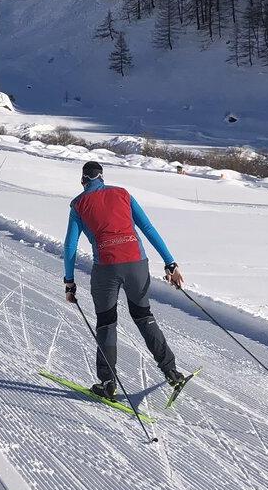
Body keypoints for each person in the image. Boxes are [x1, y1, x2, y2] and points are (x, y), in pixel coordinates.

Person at [63, 160, 186, 399]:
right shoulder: (123, 194)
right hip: (137, 265)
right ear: (102, 177)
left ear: (83, 180)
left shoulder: (78, 204)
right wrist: (170, 263)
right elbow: (148, 228)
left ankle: (108, 382)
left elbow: (70, 246)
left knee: (106, 322)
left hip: (106, 269)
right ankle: (171, 371)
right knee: (143, 316)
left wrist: (69, 281)